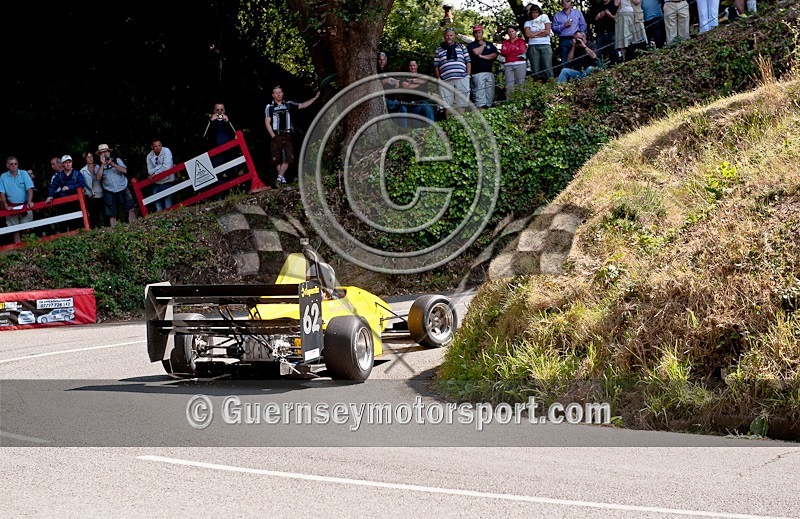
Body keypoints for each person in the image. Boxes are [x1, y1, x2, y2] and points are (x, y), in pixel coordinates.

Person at [264, 85, 321, 185]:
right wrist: (273, 136)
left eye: (280, 92)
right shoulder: (270, 107)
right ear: (273, 95)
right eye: (276, 93)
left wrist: (314, 98)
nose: (278, 94)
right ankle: (282, 179)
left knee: (288, 157)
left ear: (283, 93)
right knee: (276, 159)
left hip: (286, 134)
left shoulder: (288, 104)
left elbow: (302, 105)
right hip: (275, 133)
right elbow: (267, 122)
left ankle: (279, 178)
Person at [433, 27, 471, 116]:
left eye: (451, 35)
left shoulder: (461, 46)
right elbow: (436, 65)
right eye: (447, 35)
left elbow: (468, 61)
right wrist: (439, 79)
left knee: (462, 103)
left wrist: (468, 76)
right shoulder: (439, 49)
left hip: (462, 77)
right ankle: (449, 125)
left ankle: (460, 125)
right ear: (444, 36)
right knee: (447, 105)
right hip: (445, 80)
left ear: (453, 36)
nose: (449, 37)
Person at [97, 143, 137, 227]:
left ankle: (134, 226)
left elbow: (125, 170)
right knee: (111, 213)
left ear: (109, 152)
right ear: (100, 155)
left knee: (130, 207)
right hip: (109, 190)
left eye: (106, 152)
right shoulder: (98, 166)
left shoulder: (117, 160)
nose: (104, 154)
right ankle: (114, 231)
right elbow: (98, 177)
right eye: (102, 152)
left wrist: (112, 164)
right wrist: (102, 164)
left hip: (122, 186)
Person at [45, 155, 86, 232]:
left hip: (75, 202)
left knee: (76, 222)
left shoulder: (77, 174)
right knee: (63, 223)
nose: (68, 164)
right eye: (65, 163)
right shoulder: (59, 175)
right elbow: (52, 186)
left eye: (69, 162)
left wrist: (70, 187)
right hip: (63, 202)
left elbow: (82, 184)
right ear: (62, 164)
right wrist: (50, 195)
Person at [0, 156, 35, 244]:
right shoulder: (3, 177)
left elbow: (30, 188)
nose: (14, 166)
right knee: (14, 230)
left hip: (24, 205)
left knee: (26, 229)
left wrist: (29, 201)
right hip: (12, 206)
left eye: (15, 164)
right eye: (11, 164)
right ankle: (18, 252)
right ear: (7, 165)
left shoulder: (23, 173)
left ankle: (26, 250)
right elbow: (2, 192)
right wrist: (6, 205)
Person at [466, 25, 499, 108]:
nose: (478, 35)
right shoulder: (471, 45)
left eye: (479, 33)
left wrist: (483, 57)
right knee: (479, 97)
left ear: (482, 33)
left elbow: (494, 55)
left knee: (490, 96)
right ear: (474, 34)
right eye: (476, 33)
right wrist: (483, 46)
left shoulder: (490, 44)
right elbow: (476, 52)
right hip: (477, 73)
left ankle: (489, 115)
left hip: (489, 72)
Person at [552, 0, 588, 68]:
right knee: (565, 62)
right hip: (564, 40)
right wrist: (563, 25)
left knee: (579, 59)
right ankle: (566, 75)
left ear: (571, 2)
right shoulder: (557, 15)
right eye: (563, 2)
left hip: (576, 39)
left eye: (567, 1)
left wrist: (582, 35)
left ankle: (578, 75)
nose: (565, 3)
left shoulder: (577, 13)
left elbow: (583, 25)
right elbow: (553, 28)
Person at [523, 4, 554, 81]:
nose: (534, 14)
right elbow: (528, 34)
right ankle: (537, 87)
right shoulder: (527, 22)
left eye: (536, 12)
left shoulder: (545, 18)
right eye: (532, 12)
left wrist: (533, 34)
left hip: (545, 45)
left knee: (547, 68)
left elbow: (547, 32)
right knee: (535, 69)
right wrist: (540, 32)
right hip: (533, 46)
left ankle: (551, 86)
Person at [400, 59, 436, 125]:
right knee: (416, 125)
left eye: (414, 65)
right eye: (410, 65)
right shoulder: (404, 77)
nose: (412, 67)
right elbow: (406, 87)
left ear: (417, 66)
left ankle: (433, 130)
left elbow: (425, 80)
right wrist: (419, 82)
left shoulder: (422, 74)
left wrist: (411, 81)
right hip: (412, 104)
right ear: (408, 66)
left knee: (429, 110)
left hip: (424, 102)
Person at [146, 138, 176, 212]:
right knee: (159, 207)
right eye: (155, 146)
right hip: (157, 183)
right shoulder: (149, 156)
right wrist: (160, 166)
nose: (158, 147)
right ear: (152, 147)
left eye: (159, 145)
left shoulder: (166, 151)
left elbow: (167, 167)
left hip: (167, 181)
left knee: (168, 206)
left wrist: (155, 173)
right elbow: (150, 172)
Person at [378, 52, 407, 125]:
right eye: (380, 59)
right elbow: (373, 86)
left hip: (393, 98)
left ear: (386, 60)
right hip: (384, 100)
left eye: (383, 60)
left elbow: (393, 81)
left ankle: (403, 130)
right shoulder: (374, 71)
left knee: (403, 109)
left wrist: (397, 84)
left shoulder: (388, 70)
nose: (382, 62)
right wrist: (385, 81)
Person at [500, 25, 528, 98]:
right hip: (508, 65)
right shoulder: (505, 42)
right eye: (509, 32)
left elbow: (522, 50)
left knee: (520, 84)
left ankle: (521, 101)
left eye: (512, 31)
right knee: (509, 85)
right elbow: (503, 52)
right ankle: (510, 103)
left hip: (520, 63)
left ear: (516, 32)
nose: (511, 33)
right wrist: (515, 48)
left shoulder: (521, 41)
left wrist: (509, 50)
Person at [588, 0, 619, 65]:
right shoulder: (597, 5)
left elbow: (619, 18)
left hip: (612, 31)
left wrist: (610, 16)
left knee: (614, 51)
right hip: (600, 33)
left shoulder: (614, 4)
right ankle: (600, 69)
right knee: (599, 53)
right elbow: (590, 19)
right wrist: (599, 15)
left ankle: (616, 66)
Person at [79, 150, 104, 228]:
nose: (90, 158)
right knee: (94, 215)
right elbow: (83, 185)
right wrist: (89, 194)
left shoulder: (98, 167)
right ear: (85, 159)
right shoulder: (83, 171)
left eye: (91, 156)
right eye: (88, 157)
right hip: (92, 196)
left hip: (102, 193)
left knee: (104, 214)